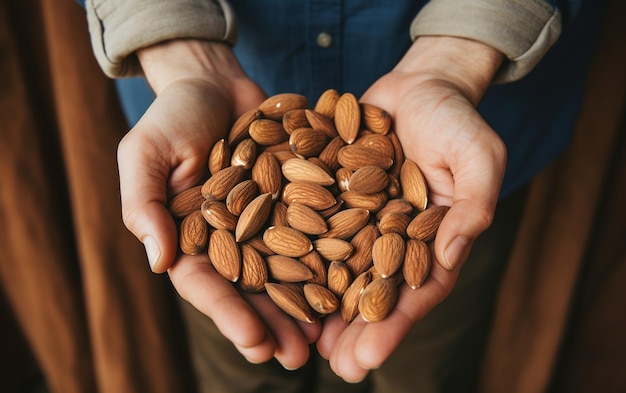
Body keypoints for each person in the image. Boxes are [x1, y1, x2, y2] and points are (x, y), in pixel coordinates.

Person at [80, 0, 606, 391]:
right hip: (207, 134)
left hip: (467, 138)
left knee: (424, 366)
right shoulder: (228, 187)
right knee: (242, 360)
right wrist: (179, 50)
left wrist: (460, 54)